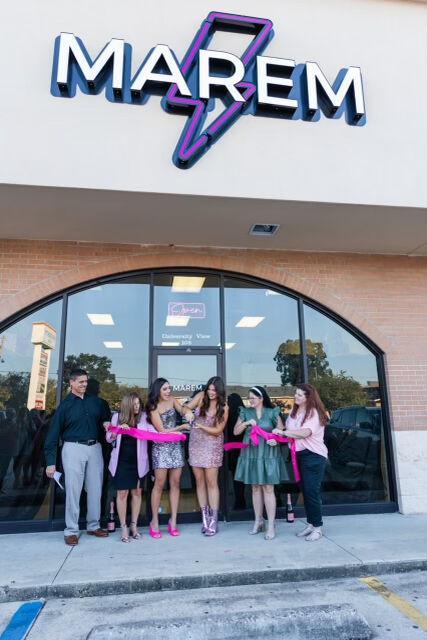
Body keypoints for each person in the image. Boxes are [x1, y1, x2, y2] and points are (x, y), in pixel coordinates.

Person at [44, 368, 111, 546]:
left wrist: (106, 422)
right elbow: (52, 435)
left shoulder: (96, 402)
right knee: (73, 490)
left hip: (95, 448)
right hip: (73, 449)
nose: (84, 384)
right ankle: (71, 530)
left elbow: (105, 417)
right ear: (72, 383)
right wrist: (50, 463)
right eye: (81, 382)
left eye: (86, 381)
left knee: (96, 489)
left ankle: (93, 525)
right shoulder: (65, 406)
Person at [234, 386, 292, 540]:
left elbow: (280, 431)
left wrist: (275, 439)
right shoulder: (245, 412)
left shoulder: (272, 412)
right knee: (255, 488)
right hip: (251, 453)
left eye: (253, 398)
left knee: (268, 488)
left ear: (261, 398)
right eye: (249, 398)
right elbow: (236, 431)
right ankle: (258, 520)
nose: (250, 400)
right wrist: (246, 423)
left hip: (268, 453)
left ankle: (271, 524)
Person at [273, 383, 328, 542]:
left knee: (311, 491)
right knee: (305, 490)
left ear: (308, 397)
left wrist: (283, 433)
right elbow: (289, 433)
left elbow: (305, 433)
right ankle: (311, 524)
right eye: (295, 394)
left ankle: (317, 528)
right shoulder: (294, 413)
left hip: (314, 456)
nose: (296, 396)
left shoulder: (314, 414)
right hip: (299, 456)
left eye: (299, 395)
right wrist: (278, 435)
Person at [145, 378, 193, 538]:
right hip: (161, 448)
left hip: (175, 447)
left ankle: (173, 521)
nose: (168, 391)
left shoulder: (173, 400)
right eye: (165, 389)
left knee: (176, 483)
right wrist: (181, 427)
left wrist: (187, 412)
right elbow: (161, 431)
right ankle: (154, 521)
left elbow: (183, 410)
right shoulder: (152, 407)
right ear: (158, 390)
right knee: (159, 484)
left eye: (169, 388)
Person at [184, 376, 229, 536]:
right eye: (209, 389)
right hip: (195, 444)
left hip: (212, 446)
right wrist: (188, 412)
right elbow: (185, 408)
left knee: (211, 482)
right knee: (199, 482)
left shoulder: (224, 407)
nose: (210, 392)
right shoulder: (200, 397)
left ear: (219, 391)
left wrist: (200, 425)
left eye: (214, 390)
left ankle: (214, 520)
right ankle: (205, 517)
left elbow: (218, 430)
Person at [105, 393, 151, 542]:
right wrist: (118, 429)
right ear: (127, 405)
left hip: (139, 462)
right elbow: (108, 438)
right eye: (134, 404)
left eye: (139, 404)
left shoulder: (143, 417)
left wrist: (173, 433)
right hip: (121, 463)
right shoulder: (117, 417)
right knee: (122, 494)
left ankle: (134, 525)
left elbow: (153, 433)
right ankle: (123, 526)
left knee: (137, 493)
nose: (137, 407)